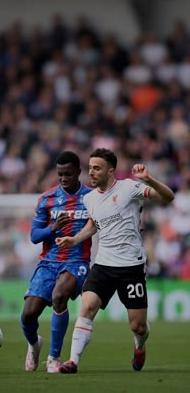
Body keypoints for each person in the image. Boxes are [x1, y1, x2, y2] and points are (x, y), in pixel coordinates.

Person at [56, 148, 175, 373]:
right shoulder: (89, 198)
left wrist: (149, 179)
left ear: (111, 171)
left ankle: (140, 344)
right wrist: (75, 239)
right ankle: (72, 362)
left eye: (97, 168)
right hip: (103, 265)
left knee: (138, 326)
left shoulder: (129, 188)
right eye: (90, 168)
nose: (91, 173)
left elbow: (168, 198)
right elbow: (94, 224)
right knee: (88, 306)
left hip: (131, 267)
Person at [20, 151, 92, 373]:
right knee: (28, 313)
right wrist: (53, 228)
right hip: (49, 263)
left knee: (60, 296)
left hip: (77, 260)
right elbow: (34, 236)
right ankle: (34, 344)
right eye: (60, 174)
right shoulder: (47, 199)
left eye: (68, 174)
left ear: (78, 172)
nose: (63, 179)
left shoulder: (92, 197)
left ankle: (53, 358)